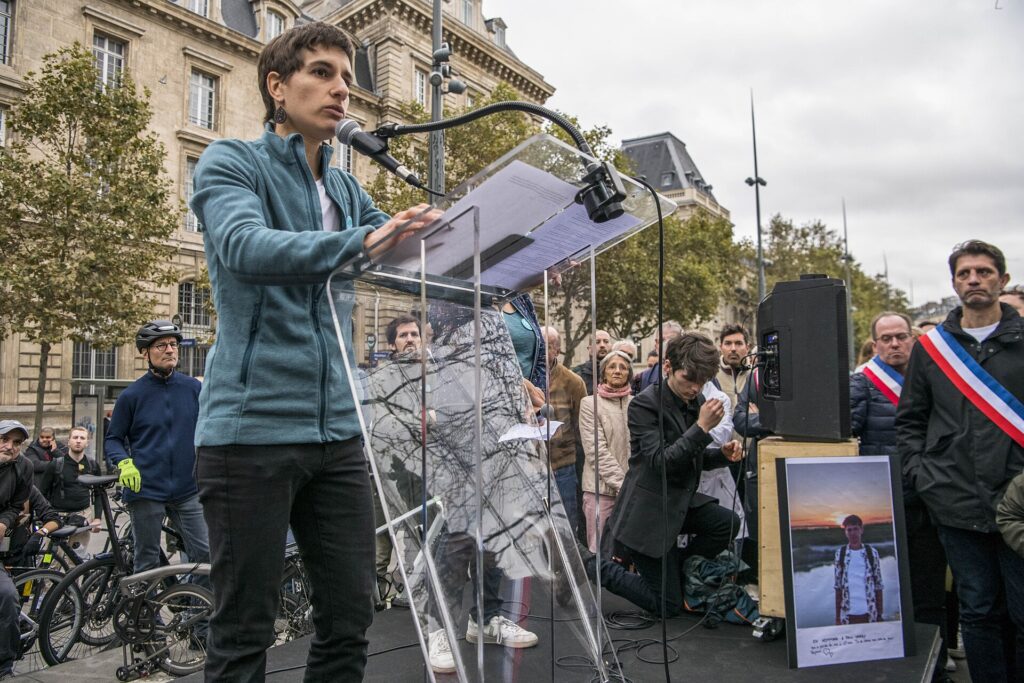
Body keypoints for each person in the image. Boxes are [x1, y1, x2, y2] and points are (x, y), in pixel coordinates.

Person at [189, 22, 442, 682]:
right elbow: (247, 248)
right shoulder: (230, 162)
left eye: (348, 79)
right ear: (278, 86)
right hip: (251, 434)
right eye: (323, 73)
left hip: (337, 434)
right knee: (245, 627)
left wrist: (495, 253)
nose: (341, 90)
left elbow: (405, 253)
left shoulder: (347, 189)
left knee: (350, 617)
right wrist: (364, 244)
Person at [896, 240, 1024, 683]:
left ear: (1002, 280)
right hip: (955, 502)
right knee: (978, 610)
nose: (975, 280)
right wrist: (922, 474)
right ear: (954, 283)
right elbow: (910, 420)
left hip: (1019, 506)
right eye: (965, 273)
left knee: (1022, 611)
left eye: (984, 272)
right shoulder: (932, 350)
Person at [606, 333, 743, 616]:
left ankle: (676, 571)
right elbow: (662, 462)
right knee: (667, 607)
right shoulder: (644, 404)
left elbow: (690, 458)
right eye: (688, 380)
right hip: (649, 514)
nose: (695, 388)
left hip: (677, 505)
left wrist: (721, 455)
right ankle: (595, 567)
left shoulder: (695, 399)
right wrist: (702, 428)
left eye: (702, 382)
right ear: (668, 367)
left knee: (727, 523)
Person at [850, 311, 952, 674]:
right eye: (887, 339)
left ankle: (936, 660)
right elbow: (846, 437)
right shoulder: (862, 383)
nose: (895, 344)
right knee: (886, 586)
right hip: (886, 501)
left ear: (913, 339)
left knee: (929, 588)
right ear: (875, 344)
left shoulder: (935, 378)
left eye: (901, 337)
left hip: (931, 497)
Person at [105, 320, 209, 580]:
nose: (170, 350)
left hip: (188, 489)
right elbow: (113, 439)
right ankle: (146, 618)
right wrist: (124, 463)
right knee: (147, 561)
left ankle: (198, 619)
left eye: (174, 345)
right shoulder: (132, 396)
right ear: (145, 353)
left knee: (206, 556)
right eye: (161, 345)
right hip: (146, 490)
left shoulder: (194, 389)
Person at [0, 419, 57, 679]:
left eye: (16, 443)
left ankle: (5, 665)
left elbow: (18, 505)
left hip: (14, 551)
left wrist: (7, 522)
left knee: (9, 597)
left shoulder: (24, 468)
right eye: (4, 440)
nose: (10, 447)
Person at [579, 350, 632, 552]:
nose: (617, 371)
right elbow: (595, 450)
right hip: (599, 491)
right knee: (600, 548)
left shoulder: (637, 403)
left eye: (623, 367)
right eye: (612, 367)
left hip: (632, 491)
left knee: (628, 551)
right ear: (603, 373)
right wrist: (622, 484)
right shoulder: (589, 404)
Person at [542, 327, 586, 533]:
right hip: (529, 466)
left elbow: (581, 428)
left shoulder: (573, 382)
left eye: (547, 345)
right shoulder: (521, 376)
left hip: (562, 466)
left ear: (557, 351)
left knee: (565, 527)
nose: (540, 349)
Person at [38, 426, 101, 559]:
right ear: (69, 441)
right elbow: (41, 493)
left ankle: (75, 580)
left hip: (83, 516)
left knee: (76, 561)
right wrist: (41, 518)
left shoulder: (93, 465)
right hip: (57, 517)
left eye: (82, 438)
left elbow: (99, 493)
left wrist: (97, 518)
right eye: (75, 437)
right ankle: (51, 580)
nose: (78, 441)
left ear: (87, 442)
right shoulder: (55, 465)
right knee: (53, 560)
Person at [833, 514, 884, 624]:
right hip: (847, 617)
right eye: (849, 530)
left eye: (855, 529)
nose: (852, 533)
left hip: (870, 615)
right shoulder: (840, 554)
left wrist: (880, 614)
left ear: (861, 530)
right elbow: (838, 587)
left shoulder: (872, 553)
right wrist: (837, 618)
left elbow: (878, 585)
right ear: (845, 532)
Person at [572, 329, 613, 396]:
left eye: (606, 341)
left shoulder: (621, 372)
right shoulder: (577, 375)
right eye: (597, 342)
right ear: (589, 349)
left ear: (611, 346)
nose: (602, 345)